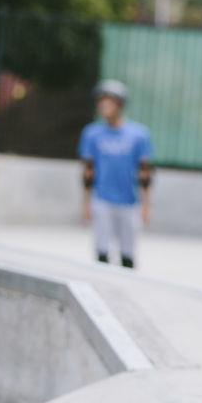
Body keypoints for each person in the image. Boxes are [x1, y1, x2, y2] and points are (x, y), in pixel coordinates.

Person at [78, 79, 154, 268]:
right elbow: (88, 171)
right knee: (102, 252)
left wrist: (146, 205)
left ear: (119, 104)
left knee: (127, 254)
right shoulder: (92, 133)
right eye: (101, 101)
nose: (103, 105)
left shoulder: (138, 134)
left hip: (129, 200)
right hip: (102, 198)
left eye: (108, 101)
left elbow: (144, 171)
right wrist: (86, 203)